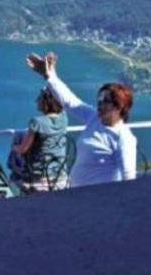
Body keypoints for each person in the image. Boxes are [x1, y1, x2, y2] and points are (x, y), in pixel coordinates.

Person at [26, 51, 137, 187]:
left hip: (101, 200)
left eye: (106, 101)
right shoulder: (94, 118)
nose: (100, 103)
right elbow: (70, 102)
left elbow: (129, 178)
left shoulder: (123, 137)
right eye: (99, 99)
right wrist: (49, 76)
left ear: (120, 106)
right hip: (77, 194)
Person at [8, 86, 69, 191]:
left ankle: (14, 181)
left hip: (41, 176)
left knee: (17, 141)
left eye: (39, 98)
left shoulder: (37, 122)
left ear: (46, 103)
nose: (36, 101)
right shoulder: (64, 119)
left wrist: (13, 147)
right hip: (60, 173)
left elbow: (23, 149)